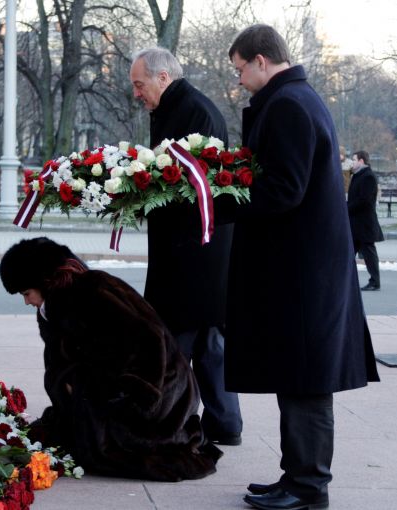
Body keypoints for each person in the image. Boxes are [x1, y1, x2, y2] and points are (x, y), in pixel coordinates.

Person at [225, 25, 379, 510]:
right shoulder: (295, 99)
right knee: (296, 377)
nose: (239, 80)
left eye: (240, 69)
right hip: (303, 268)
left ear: (261, 61)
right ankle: (295, 476)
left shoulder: (289, 105)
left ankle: (308, 487)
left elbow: (284, 189)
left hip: (303, 272)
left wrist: (223, 198)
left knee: (306, 382)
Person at [0, 237, 223, 482]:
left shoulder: (92, 292)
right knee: (55, 439)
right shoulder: (55, 305)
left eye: (27, 293)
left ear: (45, 282)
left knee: (107, 449)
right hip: (119, 390)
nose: (27, 301)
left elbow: (148, 344)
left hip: (160, 396)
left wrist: (93, 390)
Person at [129, 47, 243, 446]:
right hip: (196, 250)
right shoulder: (179, 108)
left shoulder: (194, 111)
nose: (137, 93)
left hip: (193, 252)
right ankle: (223, 422)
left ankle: (172, 423)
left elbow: (192, 186)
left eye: (140, 84)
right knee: (207, 343)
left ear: (163, 78)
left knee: (178, 343)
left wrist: (139, 192)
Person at [348, 150, 385, 291]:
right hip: (357, 224)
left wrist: (347, 208)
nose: (352, 162)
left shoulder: (368, 176)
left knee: (369, 254)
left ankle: (375, 282)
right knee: (348, 253)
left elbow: (365, 200)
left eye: (354, 160)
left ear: (361, 161)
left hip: (364, 224)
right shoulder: (359, 175)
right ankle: (345, 280)